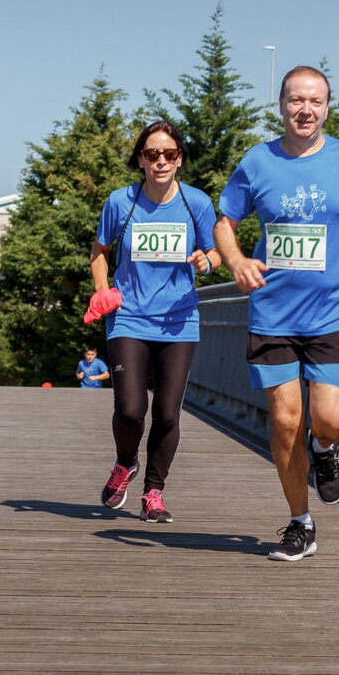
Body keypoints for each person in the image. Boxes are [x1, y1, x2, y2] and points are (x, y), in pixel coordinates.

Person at [215, 65, 339, 561]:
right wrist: (236, 261)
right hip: (272, 314)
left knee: (330, 421)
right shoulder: (257, 162)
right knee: (285, 420)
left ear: (327, 107)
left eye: (315, 101)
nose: (305, 110)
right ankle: (300, 523)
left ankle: (325, 450)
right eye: (296, 100)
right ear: (281, 105)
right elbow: (224, 222)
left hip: (333, 312)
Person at [84, 119, 221, 522]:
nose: (160, 161)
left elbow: (216, 253)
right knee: (129, 409)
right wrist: (103, 288)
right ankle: (125, 463)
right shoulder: (120, 202)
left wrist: (205, 262)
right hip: (128, 317)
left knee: (166, 413)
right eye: (151, 154)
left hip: (179, 322)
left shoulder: (196, 203)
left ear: (180, 159)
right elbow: (99, 251)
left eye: (169, 153)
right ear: (140, 160)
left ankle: (154, 492)